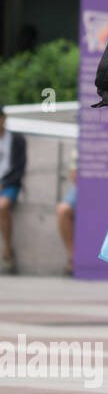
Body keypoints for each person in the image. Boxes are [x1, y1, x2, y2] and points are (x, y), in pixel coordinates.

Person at [0, 105, 26, 274]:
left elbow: (19, 168)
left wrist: (5, 183)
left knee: (2, 206)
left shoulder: (17, 140)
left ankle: (8, 250)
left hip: (9, 184)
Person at [57, 151, 76, 276]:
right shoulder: (89, 138)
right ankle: (73, 257)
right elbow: (74, 175)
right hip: (87, 184)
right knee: (63, 210)